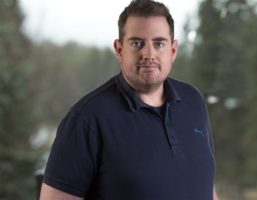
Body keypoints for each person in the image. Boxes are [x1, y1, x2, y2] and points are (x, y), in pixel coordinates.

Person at [39, 0, 217, 199]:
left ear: (173, 51)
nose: (149, 54)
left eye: (159, 43)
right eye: (136, 43)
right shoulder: (86, 120)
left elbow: (206, 186)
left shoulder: (193, 101)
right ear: (119, 49)